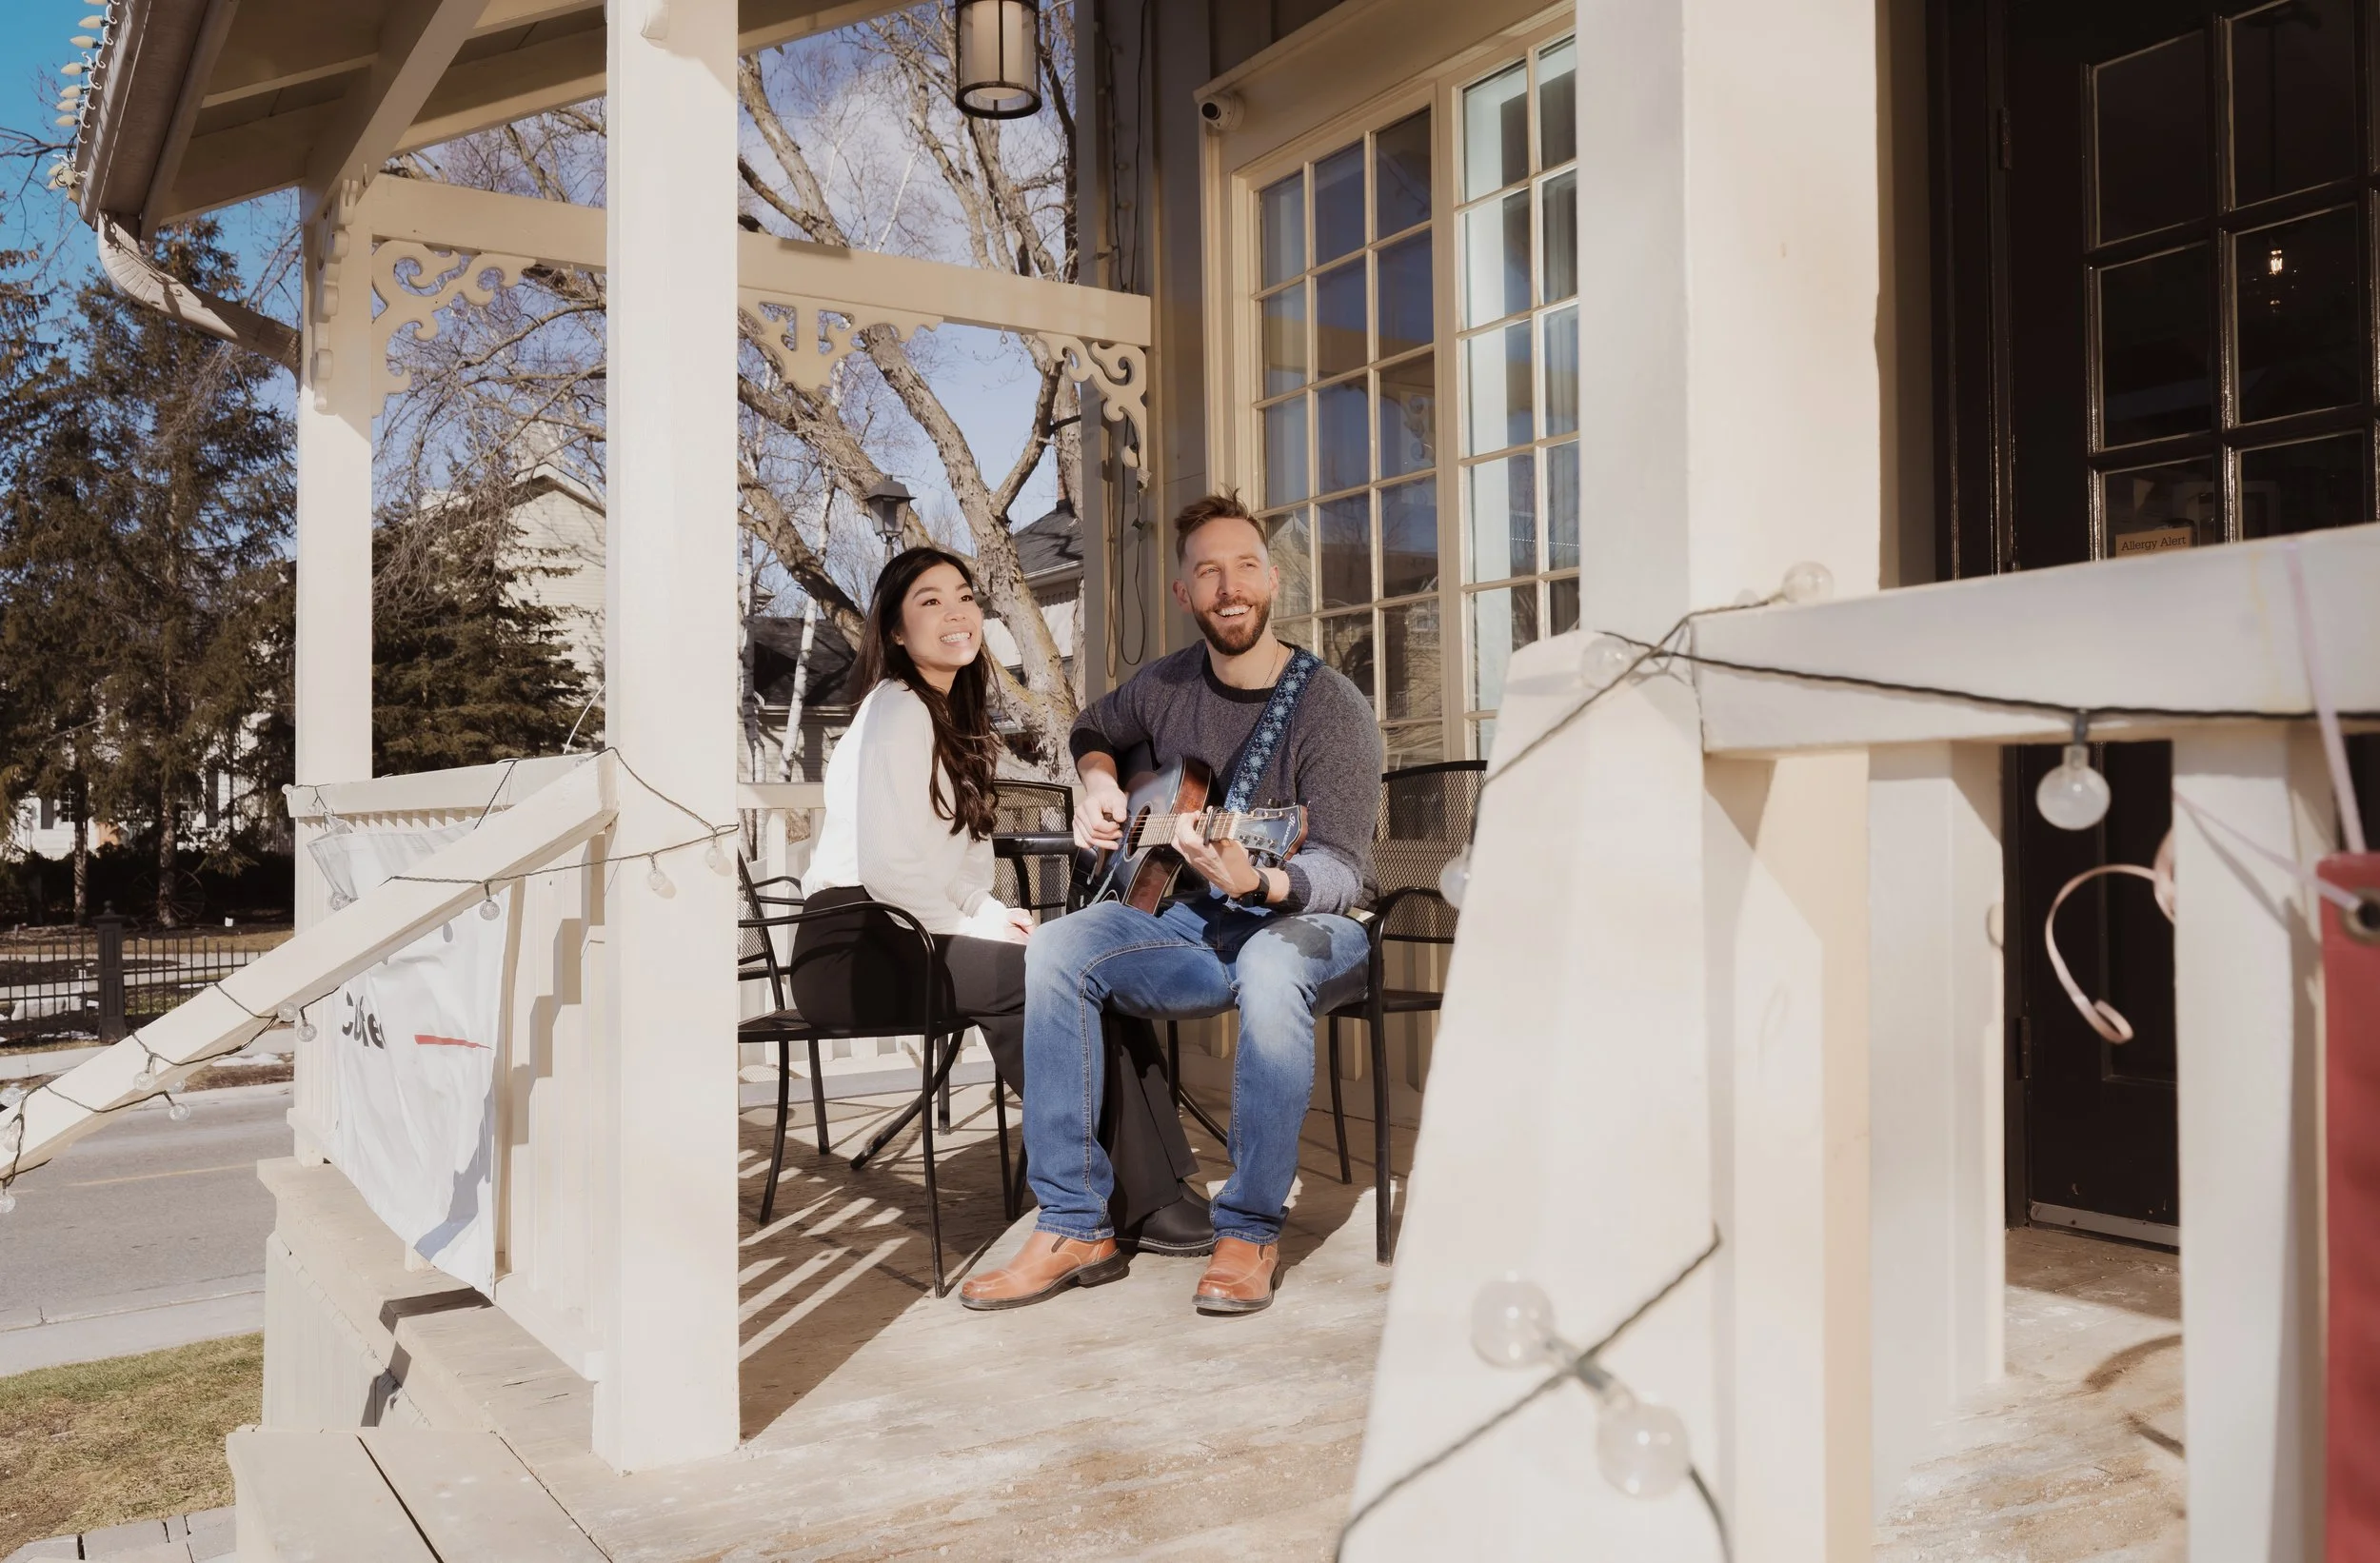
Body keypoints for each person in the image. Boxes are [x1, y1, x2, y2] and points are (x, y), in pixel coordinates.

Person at [961, 493, 1381, 1316]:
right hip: (1190, 924)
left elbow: (1342, 867)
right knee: (1054, 949)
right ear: (1185, 592)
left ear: (1273, 580)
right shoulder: (1165, 685)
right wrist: (1098, 783)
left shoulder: (1331, 709)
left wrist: (1257, 881)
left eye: (1246, 567)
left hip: (1310, 926)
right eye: (1209, 572)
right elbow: (1092, 726)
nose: (1231, 587)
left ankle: (1250, 1229)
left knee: (1267, 964)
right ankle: (1077, 1220)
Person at [791, 545, 1211, 1255]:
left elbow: (952, 867)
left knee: (1085, 967)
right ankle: (1129, 1200)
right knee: (1046, 981)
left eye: (964, 597)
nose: (957, 613)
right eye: (929, 601)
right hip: (854, 946)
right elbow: (890, 866)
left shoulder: (951, 716)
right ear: (894, 630)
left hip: (905, 929)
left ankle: (1160, 1186)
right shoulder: (895, 709)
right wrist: (971, 925)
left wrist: (989, 916)